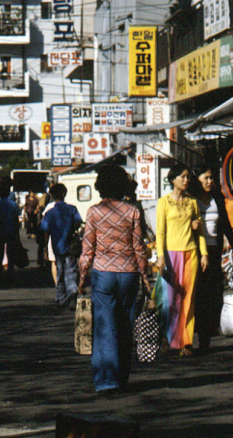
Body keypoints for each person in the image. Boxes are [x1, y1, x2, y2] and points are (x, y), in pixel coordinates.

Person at [78, 165, 150, 394]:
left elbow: (87, 249)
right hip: (129, 275)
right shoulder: (133, 212)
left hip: (103, 275)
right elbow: (139, 249)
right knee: (125, 326)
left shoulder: (94, 212)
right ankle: (123, 376)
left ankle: (107, 381)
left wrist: (81, 278)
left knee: (105, 328)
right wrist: (146, 279)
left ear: (101, 186)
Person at [155, 164, 208, 356]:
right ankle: (168, 339)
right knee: (170, 300)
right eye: (182, 177)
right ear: (173, 179)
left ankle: (186, 342)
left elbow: (200, 231)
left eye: (187, 177)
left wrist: (204, 254)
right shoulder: (163, 202)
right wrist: (161, 257)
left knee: (188, 299)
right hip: (170, 255)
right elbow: (160, 232)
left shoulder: (192, 202)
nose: (186, 180)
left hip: (190, 253)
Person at [190, 164, 233, 352]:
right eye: (205, 178)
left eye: (211, 178)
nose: (210, 182)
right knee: (196, 294)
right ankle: (192, 335)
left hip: (214, 251)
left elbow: (224, 224)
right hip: (194, 251)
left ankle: (206, 336)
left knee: (213, 294)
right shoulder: (191, 200)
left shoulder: (217, 199)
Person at [39, 183, 82, 310]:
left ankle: (61, 297)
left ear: (52, 196)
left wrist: (45, 248)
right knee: (71, 270)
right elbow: (78, 221)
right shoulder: (72, 209)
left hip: (56, 245)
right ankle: (72, 294)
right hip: (70, 244)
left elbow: (44, 230)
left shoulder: (50, 212)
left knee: (60, 270)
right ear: (64, 194)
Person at [0, 183, 20, 276]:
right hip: (11, 229)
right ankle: (10, 270)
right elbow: (16, 219)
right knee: (10, 251)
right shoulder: (13, 205)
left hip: (1, 229)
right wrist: (17, 233)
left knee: (0, 251)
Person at [23, 191, 42, 265]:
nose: (32, 194)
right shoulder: (27, 198)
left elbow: (37, 205)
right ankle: (29, 233)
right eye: (31, 193)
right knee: (28, 223)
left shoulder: (35, 199)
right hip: (28, 211)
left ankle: (33, 233)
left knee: (34, 223)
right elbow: (25, 205)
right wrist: (24, 212)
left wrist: (36, 210)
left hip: (33, 212)